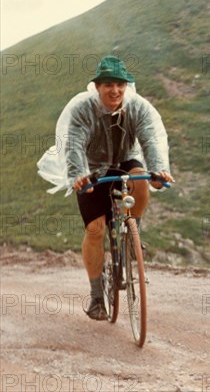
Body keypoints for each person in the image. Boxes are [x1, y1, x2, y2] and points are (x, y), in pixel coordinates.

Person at [42, 55, 174, 320]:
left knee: (141, 180)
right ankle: (96, 296)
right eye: (108, 85)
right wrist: (78, 175)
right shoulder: (82, 108)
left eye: (120, 84)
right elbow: (74, 143)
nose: (115, 90)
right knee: (95, 229)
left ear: (127, 86)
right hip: (92, 166)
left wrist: (159, 170)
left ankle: (131, 231)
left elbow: (151, 138)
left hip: (126, 158)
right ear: (98, 87)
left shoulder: (138, 107)